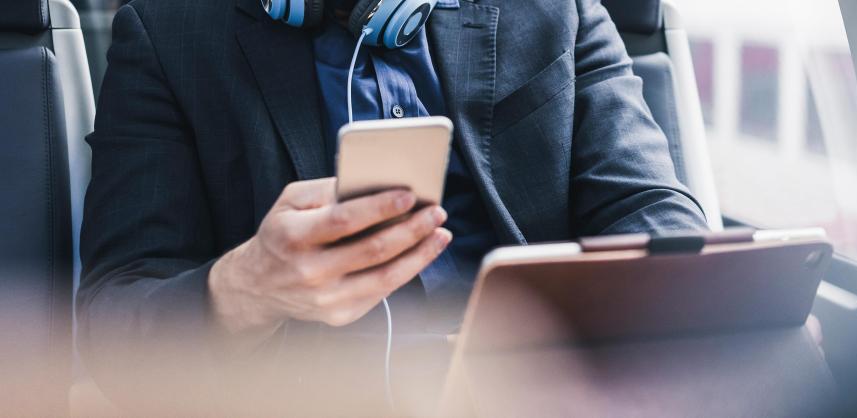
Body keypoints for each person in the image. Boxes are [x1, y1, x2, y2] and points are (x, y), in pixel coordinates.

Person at [77, 0, 708, 413]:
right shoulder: (168, 35)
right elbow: (112, 326)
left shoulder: (553, 11)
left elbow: (650, 209)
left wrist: (713, 307)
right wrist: (243, 290)